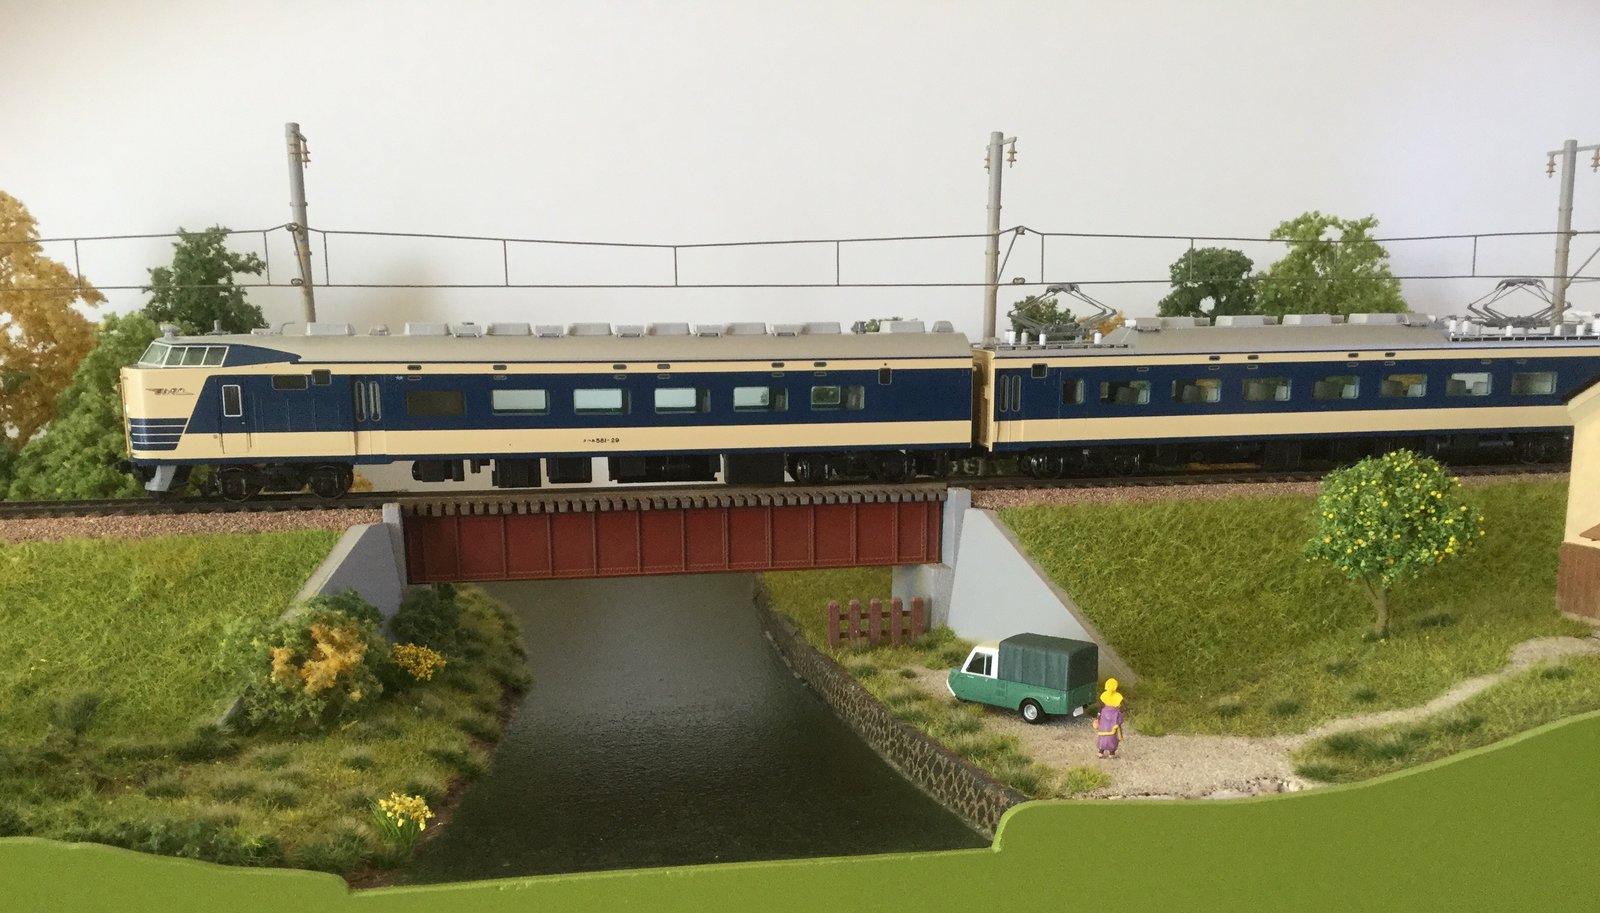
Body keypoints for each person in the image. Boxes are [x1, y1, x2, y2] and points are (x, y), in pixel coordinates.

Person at [1095, 678, 1125, 759]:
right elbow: (1123, 707)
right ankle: (1112, 753)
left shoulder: (1104, 695)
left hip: (1104, 716)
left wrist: (1098, 715)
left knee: (1103, 733)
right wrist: (1119, 712)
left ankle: (1101, 752)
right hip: (1114, 716)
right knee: (1113, 735)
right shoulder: (1118, 696)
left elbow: (1100, 706)